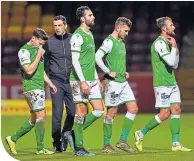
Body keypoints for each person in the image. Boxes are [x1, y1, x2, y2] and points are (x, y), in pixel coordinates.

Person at [134, 17, 192, 152]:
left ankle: (176, 144)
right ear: (164, 28)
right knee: (164, 113)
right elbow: (171, 62)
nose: (174, 27)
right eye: (171, 25)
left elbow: (175, 64)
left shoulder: (169, 43)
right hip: (162, 84)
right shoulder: (159, 44)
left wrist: (175, 46)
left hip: (172, 82)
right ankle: (140, 133)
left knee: (176, 110)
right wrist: (173, 47)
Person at [6, 28, 56, 155]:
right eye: (40, 43)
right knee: (42, 116)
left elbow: (40, 70)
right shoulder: (24, 51)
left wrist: (50, 83)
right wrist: (39, 55)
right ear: (33, 39)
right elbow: (28, 70)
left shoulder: (37, 49)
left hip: (38, 86)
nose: (41, 46)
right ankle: (40, 148)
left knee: (34, 119)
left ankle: (12, 138)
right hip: (32, 87)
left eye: (43, 44)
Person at [95, 17, 138, 153]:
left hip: (122, 81)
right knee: (112, 112)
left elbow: (117, 60)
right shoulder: (109, 41)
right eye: (125, 30)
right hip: (112, 83)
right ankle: (106, 145)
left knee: (133, 108)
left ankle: (122, 141)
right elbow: (97, 56)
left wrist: (123, 71)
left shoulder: (121, 42)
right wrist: (108, 71)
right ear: (118, 27)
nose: (127, 33)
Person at [70, 6, 104, 156]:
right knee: (81, 112)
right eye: (90, 15)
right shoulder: (77, 36)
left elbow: (90, 60)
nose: (93, 17)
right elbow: (75, 61)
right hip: (79, 80)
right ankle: (79, 148)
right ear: (82, 19)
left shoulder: (89, 34)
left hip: (92, 79)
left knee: (99, 110)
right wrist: (83, 81)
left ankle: (74, 133)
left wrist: (97, 78)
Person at [43, 15, 75, 152]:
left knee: (73, 113)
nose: (57, 28)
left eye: (59, 25)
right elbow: (43, 67)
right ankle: (57, 143)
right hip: (56, 82)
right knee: (57, 114)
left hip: (71, 82)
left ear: (65, 25)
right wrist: (48, 84)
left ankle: (65, 133)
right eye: (55, 25)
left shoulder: (74, 39)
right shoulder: (49, 43)